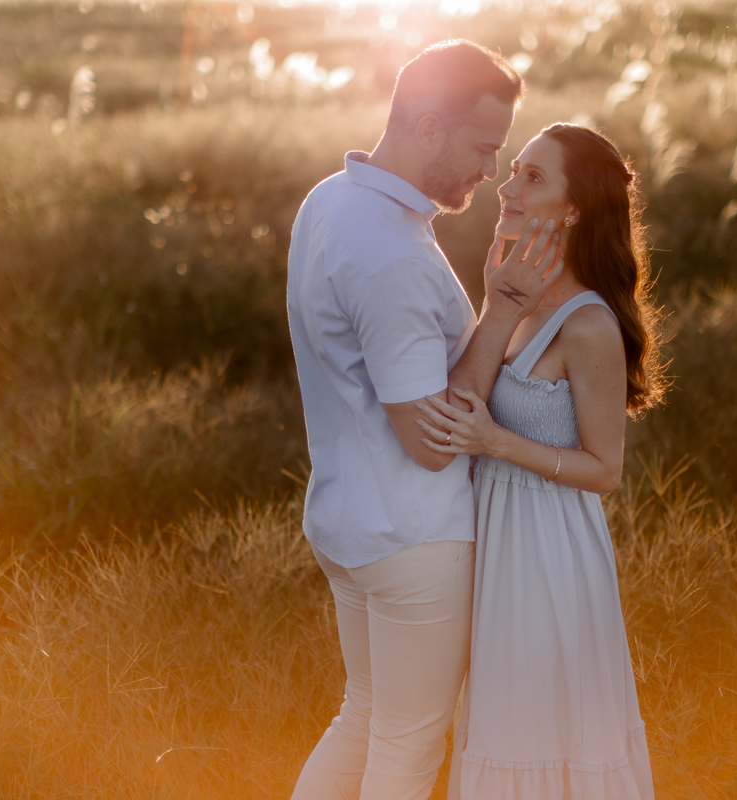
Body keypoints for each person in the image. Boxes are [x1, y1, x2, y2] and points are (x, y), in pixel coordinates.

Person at [285, 40, 567, 800]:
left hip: (348, 521)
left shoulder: (330, 202)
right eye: (483, 148)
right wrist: (502, 310)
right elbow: (432, 440)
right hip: (412, 539)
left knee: (365, 718)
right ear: (431, 126)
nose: (489, 171)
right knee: (409, 751)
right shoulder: (393, 255)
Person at [414, 123, 667, 799]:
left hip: (549, 552)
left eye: (533, 176)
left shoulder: (588, 325)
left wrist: (496, 443)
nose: (508, 185)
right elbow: (454, 410)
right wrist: (496, 306)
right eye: (514, 169)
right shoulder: (516, 294)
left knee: (540, 732)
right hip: (493, 540)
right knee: (497, 726)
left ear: (575, 205)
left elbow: (604, 470)